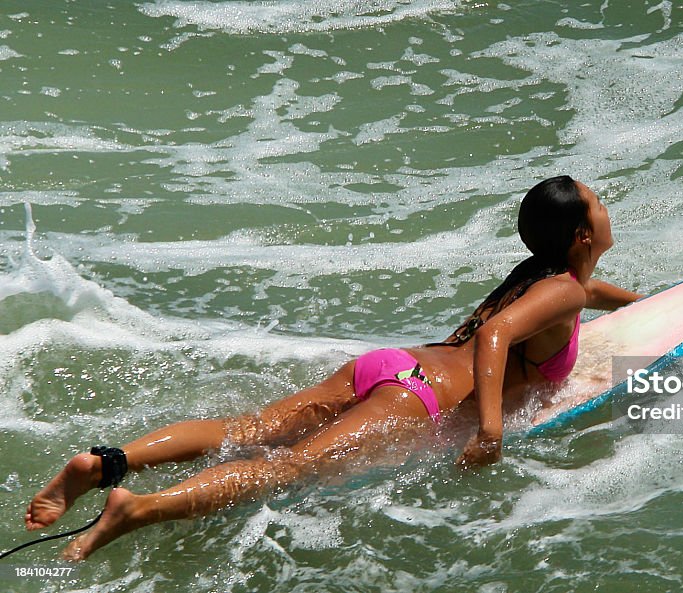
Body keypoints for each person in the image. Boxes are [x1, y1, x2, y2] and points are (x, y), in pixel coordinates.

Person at [24, 176, 642, 560]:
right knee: (288, 468)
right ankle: (136, 509)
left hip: (391, 365)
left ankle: (107, 463)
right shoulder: (561, 290)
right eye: (599, 203)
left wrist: (646, 303)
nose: (606, 208)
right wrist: (490, 429)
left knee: (251, 427)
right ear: (583, 236)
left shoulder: (541, 278)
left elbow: (584, 297)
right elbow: (500, 336)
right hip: (418, 397)